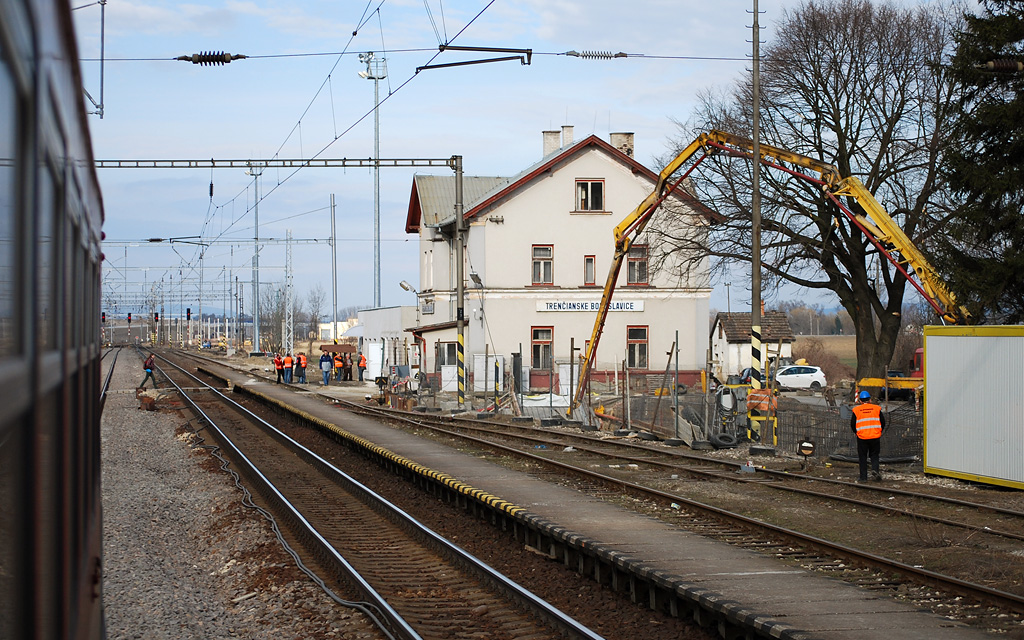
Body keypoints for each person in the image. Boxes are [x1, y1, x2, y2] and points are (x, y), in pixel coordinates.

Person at [850, 390, 886, 481]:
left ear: (860, 401)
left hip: (862, 437)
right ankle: (875, 470)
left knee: (862, 457)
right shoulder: (876, 408)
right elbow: (883, 422)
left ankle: (863, 477)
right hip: (875, 436)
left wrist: (857, 432)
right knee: (874, 455)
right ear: (870, 400)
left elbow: (852, 424)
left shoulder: (856, 410)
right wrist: (879, 431)